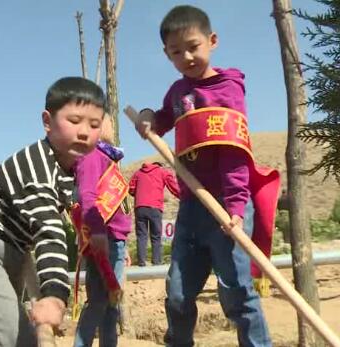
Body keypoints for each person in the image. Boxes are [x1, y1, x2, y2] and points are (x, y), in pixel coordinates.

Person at [135, 5, 275, 346]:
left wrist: (238, 210)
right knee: (179, 294)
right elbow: (164, 117)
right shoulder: (177, 92)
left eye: (193, 46)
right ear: (167, 55)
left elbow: (234, 154)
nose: (186, 57)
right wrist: (147, 116)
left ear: (212, 41)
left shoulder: (228, 89)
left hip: (228, 205)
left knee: (237, 296)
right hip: (191, 208)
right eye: (176, 52)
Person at [0, 76, 106, 346]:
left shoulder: (69, 166)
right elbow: (49, 231)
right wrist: (54, 294)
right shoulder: (37, 168)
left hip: (10, 251)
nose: (85, 132)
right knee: (16, 342)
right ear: (47, 122)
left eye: (94, 124)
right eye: (74, 121)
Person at [72, 114, 132, 347]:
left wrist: (122, 243)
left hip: (112, 238)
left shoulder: (105, 156)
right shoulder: (91, 156)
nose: (112, 126)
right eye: (109, 121)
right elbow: (87, 196)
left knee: (109, 304)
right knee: (99, 301)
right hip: (103, 238)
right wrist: (98, 233)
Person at [129, 161, 179, 266]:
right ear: (159, 165)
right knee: (156, 236)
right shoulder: (162, 172)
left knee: (141, 236)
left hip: (140, 208)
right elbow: (174, 188)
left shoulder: (138, 173)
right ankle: (156, 262)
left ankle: (141, 263)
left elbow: (131, 189)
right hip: (155, 207)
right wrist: (184, 196)